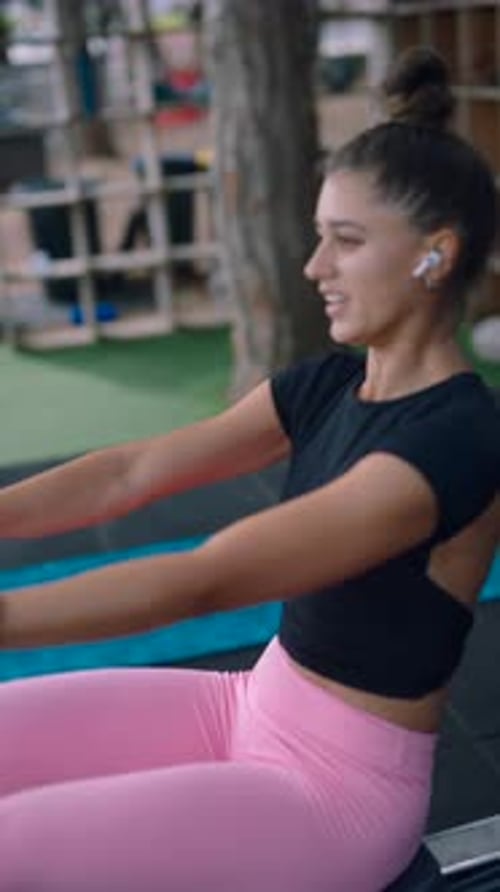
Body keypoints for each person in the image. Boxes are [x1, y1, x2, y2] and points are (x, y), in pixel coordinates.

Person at [0, 47, 499, 892]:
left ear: (434, 255)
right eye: (319, 237)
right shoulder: (328, 386)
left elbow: (205, 581)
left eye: (346, 242)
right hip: (246, 705)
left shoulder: (456, 440)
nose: (314, 268)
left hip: (334, 792)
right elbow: (130, 473)